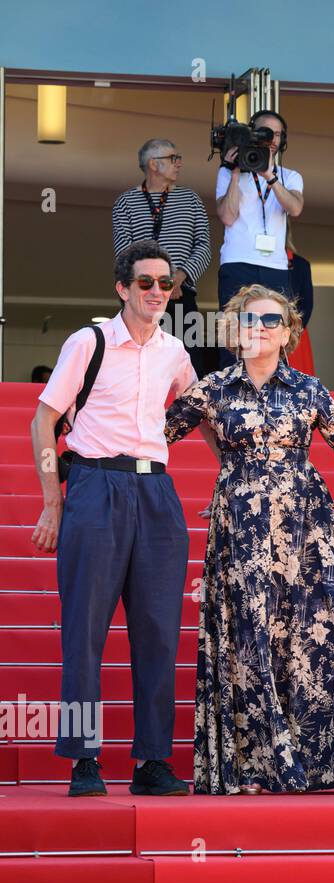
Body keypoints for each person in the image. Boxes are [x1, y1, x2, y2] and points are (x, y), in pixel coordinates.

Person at [163, 285, 334, 794]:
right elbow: (150, 434)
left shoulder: (309, 390)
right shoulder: (211, 390)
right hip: (240, 529)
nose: (258, 327)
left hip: (308, 527)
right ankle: (257, 767)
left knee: (322, 636)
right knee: (251, 635)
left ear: (288, 333)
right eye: (247, 319)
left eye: (271, 320)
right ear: (233, 329)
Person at [30, 240, 194, 798]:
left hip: (157, 492)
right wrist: (54, 500)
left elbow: (202, 415)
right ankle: (84, 761)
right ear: (122, 288)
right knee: (84, 631)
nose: (156, 292)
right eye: (145, 282)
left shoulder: (176, 352)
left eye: (165, 284)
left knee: (158, 634)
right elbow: (44, 420)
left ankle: (151, 762)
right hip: (94, 486)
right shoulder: (89, 341)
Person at [112, 138, 213, 377]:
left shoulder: (191, 200)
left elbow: (204, 247)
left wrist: (177, 278)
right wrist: (160, 282)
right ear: (154, 165)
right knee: (139, 357)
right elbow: (123, 254)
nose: (179, 163)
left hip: (182, 293)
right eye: (173, 158)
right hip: (141, 293)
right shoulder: (125, 202)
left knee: (188, 358)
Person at [215, 111, 303, 369]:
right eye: (265, 132)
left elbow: (295, 208)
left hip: (274, 266)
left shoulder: (291, 176)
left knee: (275, 330)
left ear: (283, 140)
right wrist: (233, 173)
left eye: (276, 134)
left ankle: (275, 389)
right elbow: (228, 217)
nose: (271, 139)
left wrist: (269, 176)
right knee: (234, 330)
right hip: (237, 261)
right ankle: (229, 394)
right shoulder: (229, 172)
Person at [284, 227, 315, 375]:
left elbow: (306, 305)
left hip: (294, 332)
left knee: (297, 384)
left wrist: (292, 331)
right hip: (263, 331)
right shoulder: (256, 262)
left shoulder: (301, 265)